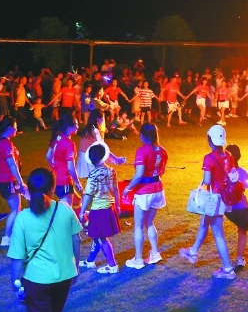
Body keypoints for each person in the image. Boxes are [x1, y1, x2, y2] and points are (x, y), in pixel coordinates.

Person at [8, 168, 82, 312]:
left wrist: (15, 285)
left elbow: (17, 257)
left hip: (36, 281)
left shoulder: (22, 218)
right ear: (53, 188)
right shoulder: (65, 209)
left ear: (28, 188)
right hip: (65, 276)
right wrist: (76, 267)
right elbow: (76, 240)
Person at [179, 124, 238, 279]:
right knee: (204, 223)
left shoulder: (209, 158)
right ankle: (193, 252)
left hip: (214, 198)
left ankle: (228, 269)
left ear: (210, 140)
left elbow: (206, 180)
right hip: (225, 197)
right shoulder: (229, 156)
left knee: (218, 234)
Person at [123, 123, 168, 269]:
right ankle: (155, 253)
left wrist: (128, 188)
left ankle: (138, 259)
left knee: (138, 226)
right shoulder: (162, 151)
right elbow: (162, 171)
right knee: (149, 222)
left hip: (144, 192)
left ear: (142, 135)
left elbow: (139, 175)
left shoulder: (142, 151)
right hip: (158, 190)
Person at [78, 141, 122, 274]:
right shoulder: (111, 171)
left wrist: (81, 212)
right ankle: (90, 261)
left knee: (101, 238)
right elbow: (116, 189)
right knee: (97, 235)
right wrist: (118, 205)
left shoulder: (93, 175)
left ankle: (112, 265)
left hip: (99, 210)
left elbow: (87, 195)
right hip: (110, 206)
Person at [0, 117, 27, 247]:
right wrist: (20, 181)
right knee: (15, 210)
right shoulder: (5, 144)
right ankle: (6, 238)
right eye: (15, 127)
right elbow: (12, 164)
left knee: (17, 208)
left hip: (3, 180)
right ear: (9, 129)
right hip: (7, 180)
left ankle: (13, 234)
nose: (16, 129)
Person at [46, 117, 83, 214]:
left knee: (77, 200)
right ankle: (62, 227)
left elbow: (48, 156)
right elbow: (71, 168)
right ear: (70, 127)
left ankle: (84, 221)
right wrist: (78, 183)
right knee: (66, 212)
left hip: (55, 178)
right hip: (64, 181)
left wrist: (55, 167)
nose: (78, 126)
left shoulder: (58, 137)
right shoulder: (69, 144)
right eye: (76, 124)